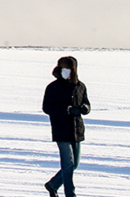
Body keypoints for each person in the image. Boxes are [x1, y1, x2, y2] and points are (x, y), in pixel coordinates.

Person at [42, 56, 90, 197]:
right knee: (68, 165)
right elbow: (47, 107)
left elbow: (87, 103)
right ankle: (70, 194)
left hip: (76, 130)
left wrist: (84, 108)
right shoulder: (53, 87)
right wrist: (66, 110)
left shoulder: (80, 86)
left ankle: (53, 184)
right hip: (61, 130)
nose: (66, 71)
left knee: (75, 164)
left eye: (69, 69)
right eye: (64, 68)